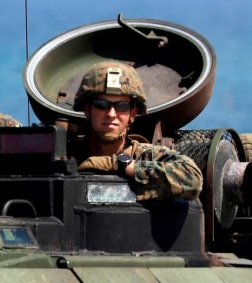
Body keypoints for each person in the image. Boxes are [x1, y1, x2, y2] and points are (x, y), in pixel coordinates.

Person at [71, 61, 203, 201]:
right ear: (87, 109)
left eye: (122, 106)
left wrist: (118, 165)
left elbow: (193, 180)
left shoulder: (147, 156)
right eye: (101, 105)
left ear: (132, 114)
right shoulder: (67, 154)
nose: (111, 114)